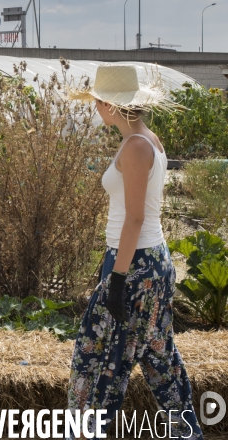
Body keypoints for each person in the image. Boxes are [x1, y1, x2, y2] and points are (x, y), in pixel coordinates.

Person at [65, 64, 203, 439]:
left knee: (95, 357)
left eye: (97, 101)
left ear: (110, 105)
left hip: (136, 265)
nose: (94, 107)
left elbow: (135, 219)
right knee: (157, 358)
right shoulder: (145, 139)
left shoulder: (138, 146)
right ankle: (186, 432)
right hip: (143, 261)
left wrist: (117, 278)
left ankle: (84, 431)